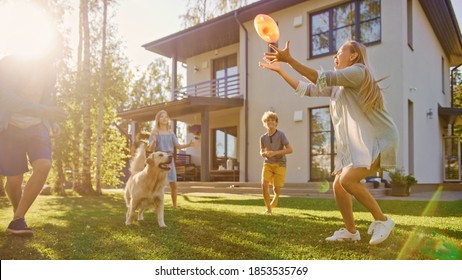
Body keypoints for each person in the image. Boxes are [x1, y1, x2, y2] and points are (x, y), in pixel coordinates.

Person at [259, 40, 398, 245]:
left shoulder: (358, 71)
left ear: (353, 56)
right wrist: (281, 71)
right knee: (339, 186)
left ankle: (383, 220)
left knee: (347, 180)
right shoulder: (338, 87)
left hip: (380, 139)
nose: (335, 56)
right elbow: (307, 89)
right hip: (363, 144)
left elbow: (319, 77)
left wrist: (289, 60)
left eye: (340, 52)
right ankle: (351, 232)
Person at [0, 54, 66, 235]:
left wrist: (53, 122)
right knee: (14, 180)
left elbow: (47, 99)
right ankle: (17, 215)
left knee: (44, 165)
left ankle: (18, 219)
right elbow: (6, 98)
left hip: (37, 126)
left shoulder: (50, 71)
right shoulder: (10, 63)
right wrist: (44, 110)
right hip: (10, 126)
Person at [148, 110, 193, 209]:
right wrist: (154, 141)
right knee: (156, 184)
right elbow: (150, 149)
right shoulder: (154, 132)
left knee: (173, 184)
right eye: (162, 117)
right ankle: (152, 205)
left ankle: (174, 205)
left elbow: (177, 146)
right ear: (158, 120)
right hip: (159, 161)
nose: (164, 118)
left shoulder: (171, 132)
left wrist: (188, 145)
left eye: (166, 116)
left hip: (169, 160)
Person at [260, 111, 293, 215]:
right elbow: (261, 150)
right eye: (268, 120)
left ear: (276, 123)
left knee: (277, 188)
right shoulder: (263, 138)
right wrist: (264, 154)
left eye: (272, 120)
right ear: (264, 123)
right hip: (268, 163)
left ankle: (276, 196)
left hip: (280, 164)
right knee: (264, 184)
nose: (270, 122)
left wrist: (274, 153)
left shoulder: (281, 134)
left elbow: (290, 150)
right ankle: (268, 209)